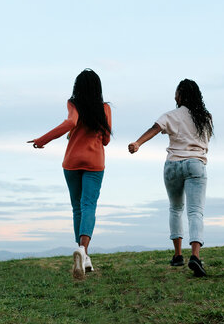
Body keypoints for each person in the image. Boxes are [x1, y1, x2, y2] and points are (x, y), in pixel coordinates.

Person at [28, 69, 112, 279]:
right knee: (88, 206)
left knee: (77, 208)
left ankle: (84, 256)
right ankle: (83, 251)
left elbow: (71, 122)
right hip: (94, 162)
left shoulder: (73, 104)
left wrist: (42, 139)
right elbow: (106, 140)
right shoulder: (105, 108)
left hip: (72, 161)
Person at [128, 79, 212, 277]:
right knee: (195, 212)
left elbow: (155, 129)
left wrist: (138, 143)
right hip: (195, 164)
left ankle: (177, 255)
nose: (174, 96)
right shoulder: (206, 118)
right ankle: (195, 256)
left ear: (180, 95)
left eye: (176, 92)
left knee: (175, 209)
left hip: (173, 164)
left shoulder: (171, 115)